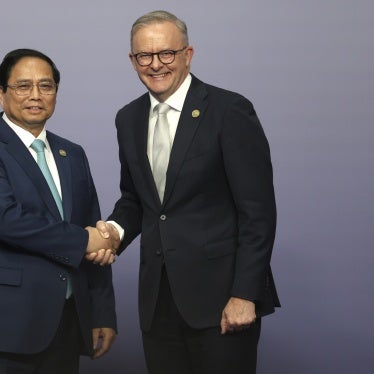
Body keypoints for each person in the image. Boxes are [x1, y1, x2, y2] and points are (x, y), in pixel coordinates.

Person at [97, 10, 280, 374]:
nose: (155, 65)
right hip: (158, 303)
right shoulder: (128, 118)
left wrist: (245, 294)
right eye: (144, 56)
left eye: (166, 53)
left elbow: (258, 213)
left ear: (188, 54)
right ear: (132, 60)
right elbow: (136, 199)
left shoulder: (229, 110)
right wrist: (111, 234)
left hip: (222, 302)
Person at [0, 48, 119, 374]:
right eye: (23, 86)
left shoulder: (73, 154)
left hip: (69, 319)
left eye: (46, 86)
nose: (36, 96)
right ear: (1, 94)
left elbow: (95, 227)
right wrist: (85, 240)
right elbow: (6, 220)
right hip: (11, 324)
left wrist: (102, 313)